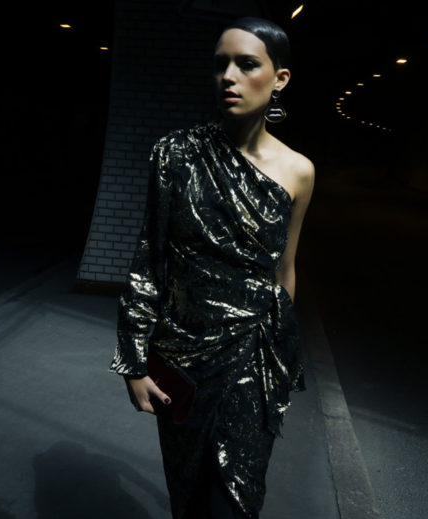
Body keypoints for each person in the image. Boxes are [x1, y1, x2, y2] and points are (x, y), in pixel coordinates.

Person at [109, 16, 315, 519]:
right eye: (221, 64)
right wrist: (133, 362)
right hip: (183, 359)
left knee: (235, 500)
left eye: (246, 64)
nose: (229, 76)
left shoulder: (298, 171)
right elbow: (149, 260)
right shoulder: (175, 154)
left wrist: (279, 357)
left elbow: (284, 269)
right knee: (189, 497)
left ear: (280, 78)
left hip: (252, 360)